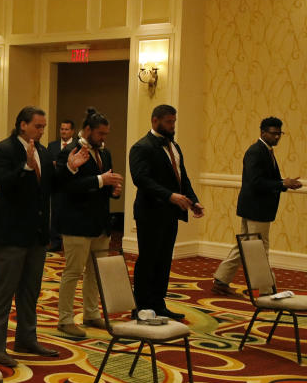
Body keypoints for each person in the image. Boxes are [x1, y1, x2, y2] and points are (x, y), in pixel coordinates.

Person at [0, 107, 86, 368]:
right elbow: (3, 185)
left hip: (37, 234)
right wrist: (25, 168)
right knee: (4, 291)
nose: (42, 131)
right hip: (10, 232)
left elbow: (52, 186)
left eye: (43, 126)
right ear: (22, 125)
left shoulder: (42, 152)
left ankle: (26, 339)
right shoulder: (3, 151)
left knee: (30, 291)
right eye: (38, 126)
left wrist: (70, 169)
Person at [211, 117, 301, 296]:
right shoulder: (256, 151)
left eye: (279, 134)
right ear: (263, 133)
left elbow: (264, 180)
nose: (277, 137)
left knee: (245, 245)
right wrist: (283, 183)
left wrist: (284, 183)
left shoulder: (265, 151)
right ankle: (267, 290)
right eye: (274, 133)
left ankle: (221, 280)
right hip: (256, 209)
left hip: (255, 207)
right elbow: (255, 182)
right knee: (260, 248)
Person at [129, 104, 203, 320]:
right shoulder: (141, 147)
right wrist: (170, 196)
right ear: (155, 121)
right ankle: (141, 306)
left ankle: (158, 303)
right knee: (148, 259)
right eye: (169, 122)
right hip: (150, 213)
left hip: (170, 214)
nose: (173, 126)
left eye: (174, 121)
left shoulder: (175, 147)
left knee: (164, 260)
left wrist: (193, 202)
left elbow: (182, 178)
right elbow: (141, 180)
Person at [55, 108, 123, 339]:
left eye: (106, 134)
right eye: (100, 133)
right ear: (87, 130)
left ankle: (91, 313)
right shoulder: (70, 152)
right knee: (73, 272)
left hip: (100, 222)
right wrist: (99, 180)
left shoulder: (106, 153)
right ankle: (64, 320)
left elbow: (104, 186)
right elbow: (66, 187)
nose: (104, 138)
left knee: (95, 272)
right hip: (76, 222)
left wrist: (113, 190)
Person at [47, 119, 75, 253]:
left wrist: (58, 164)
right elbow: (47, 163)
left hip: (72, 186)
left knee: (71, 214)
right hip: (56, 185)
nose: (63, 131)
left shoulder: (77, 146)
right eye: (62, 129)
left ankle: (70, 242)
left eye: (66, 129)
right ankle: (55, 243)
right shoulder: (52, 146)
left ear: (72, 131)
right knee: (55, 214)